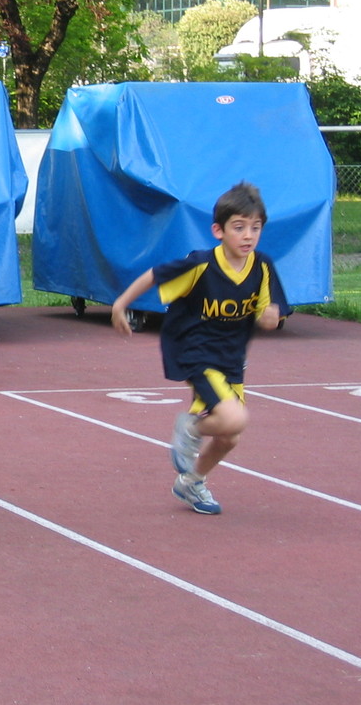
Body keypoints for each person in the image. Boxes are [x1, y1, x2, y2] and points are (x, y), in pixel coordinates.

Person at [111, 181, 289, 515]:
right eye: (239, 227)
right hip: (196, 353)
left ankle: (192, 482)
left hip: (232, 360)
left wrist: (270, 316)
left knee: (229, 436)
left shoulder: (262, 267)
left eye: (255, 227)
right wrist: (121, 304)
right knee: (234, 418)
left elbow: (270, 310)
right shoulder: (201, 265)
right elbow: (153, 275)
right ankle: (189, 428)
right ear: (218, 231)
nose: (248, 235)